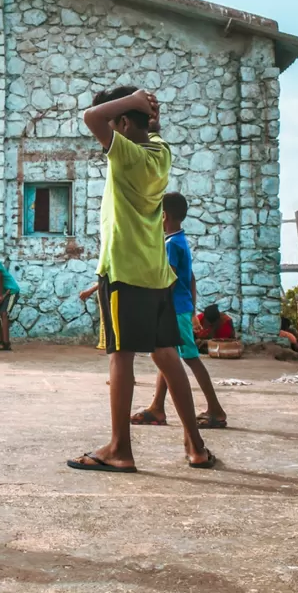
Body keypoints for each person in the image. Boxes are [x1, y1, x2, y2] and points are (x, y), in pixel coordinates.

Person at [66, 85, 214, 473]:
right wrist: (145, 110)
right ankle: (196, 446)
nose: (105, 135)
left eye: (115, 124)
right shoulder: (160, 152)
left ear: (125, 124)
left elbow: (91, 118)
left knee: (120, 357)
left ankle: (120, 448)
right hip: (156, 275)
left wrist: (137, 100)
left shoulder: (127, 154)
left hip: (124, 272)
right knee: (166, 355)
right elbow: (153, 128)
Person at [129, 191, 228, 429]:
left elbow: (168, 279)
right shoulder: (180, 241)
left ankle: (216, 409)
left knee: (190, 359)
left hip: (174, 310)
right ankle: (157, 407)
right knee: (168, 356)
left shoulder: (171, 244)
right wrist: (193, 310)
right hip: (181, 308)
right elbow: (190, 278)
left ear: (163, 216)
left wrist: (151, 305)